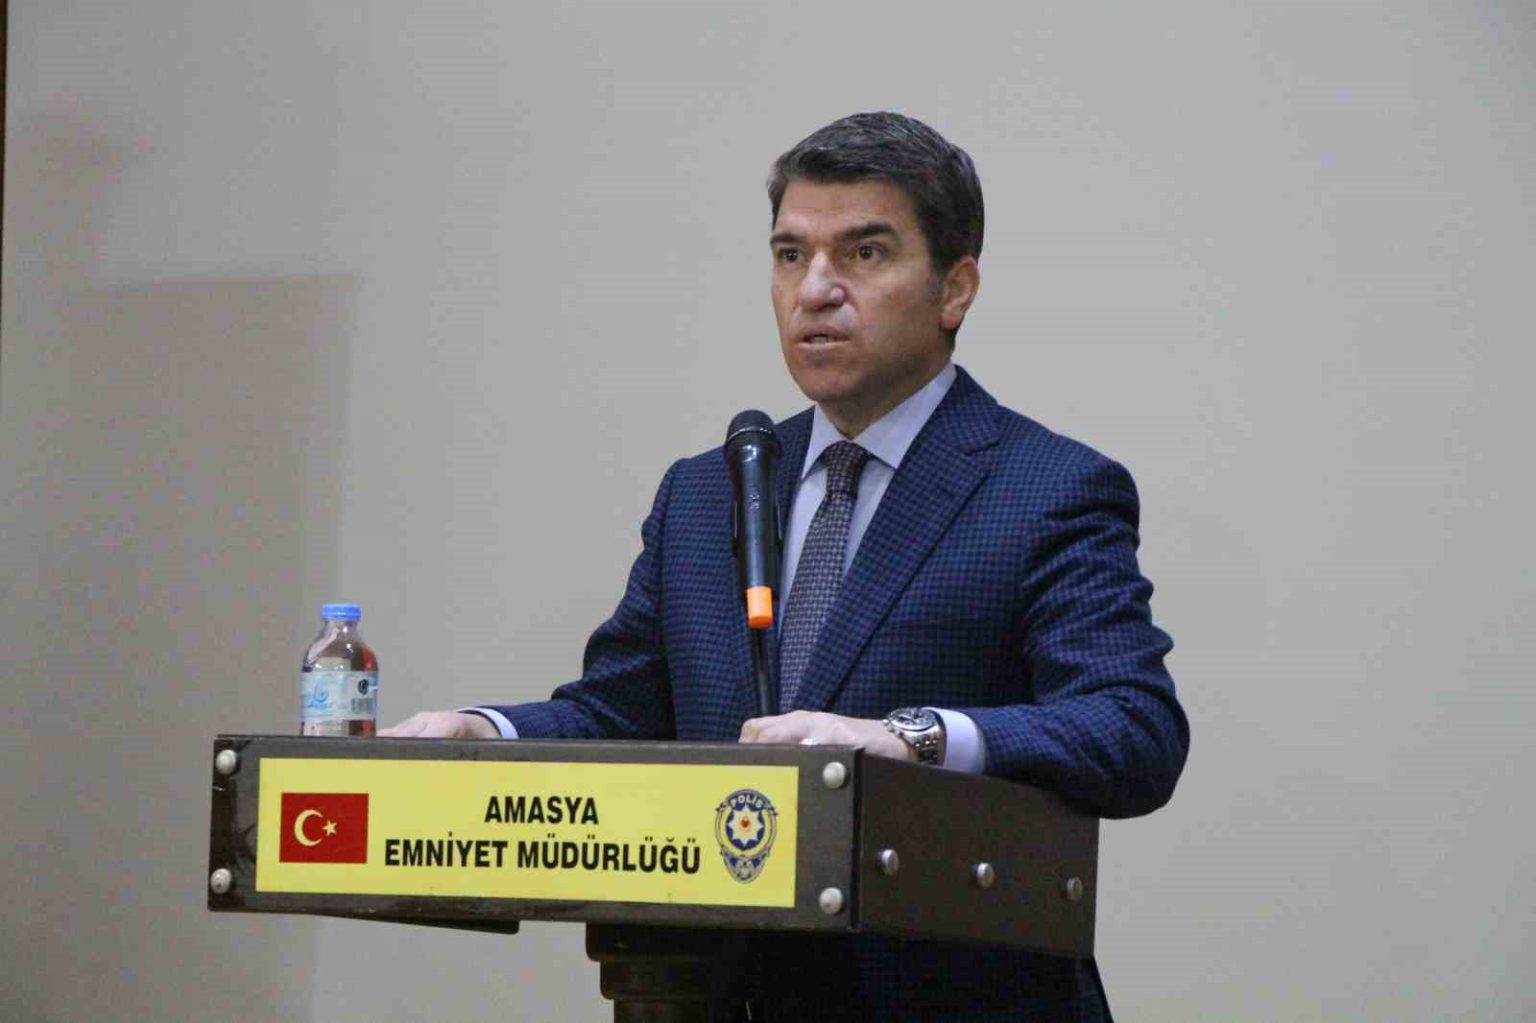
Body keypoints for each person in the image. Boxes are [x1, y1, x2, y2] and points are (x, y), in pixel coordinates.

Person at [383, 111, 1189, 1021]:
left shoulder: (1047, 487)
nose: (815, 289)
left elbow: (1132, 728)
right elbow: (620, 713)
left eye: (864, 253)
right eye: (789, 254)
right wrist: (483, 734)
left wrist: (913, 739)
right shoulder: (706, 493)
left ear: (955, 288)